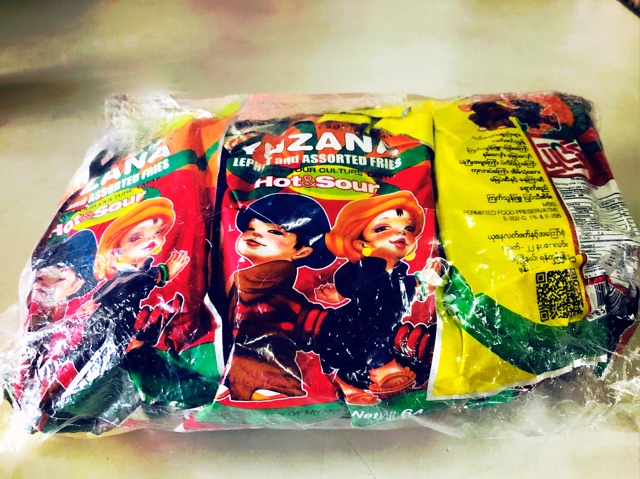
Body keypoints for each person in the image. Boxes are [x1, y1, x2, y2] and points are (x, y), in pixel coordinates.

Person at [314, 191, 440, 405]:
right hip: (356, 326)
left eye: (408, 229)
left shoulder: (397, 271)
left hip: (379, 326)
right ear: (360, 243)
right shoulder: (368, 268)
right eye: (382, 228)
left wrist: (422, 283)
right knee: (370, 342)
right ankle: (383, 370)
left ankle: (350, 386)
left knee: (365, 352)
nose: (401, 233)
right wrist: (421, 284)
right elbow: (364, 286)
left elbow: (397, 290)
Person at [219, 193, 334, 402]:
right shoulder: (237, 279)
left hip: (272, 380)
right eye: (251, 229)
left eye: (274, 231)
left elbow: (308, 321)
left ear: (301, 252)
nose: (256, 234)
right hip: (233, 377)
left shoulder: (278, 292)